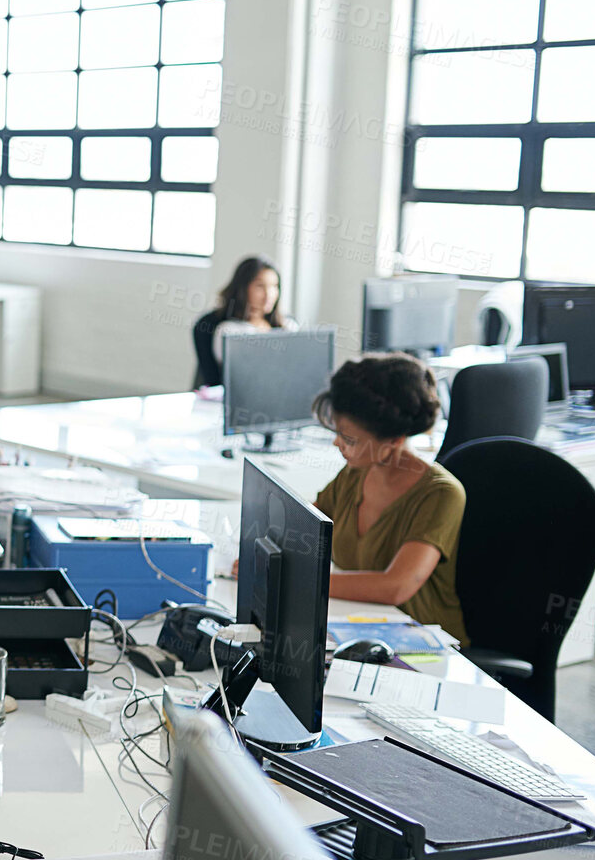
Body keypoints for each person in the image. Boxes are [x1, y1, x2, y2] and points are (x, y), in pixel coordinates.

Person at [310, 354, 467, 641]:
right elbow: (305, 522)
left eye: (350, 439)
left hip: (420, 645)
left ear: (393, 441)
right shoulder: (357, 471)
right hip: (357, 628)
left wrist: (304, 580)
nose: (337, 443)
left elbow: (395, 586)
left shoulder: (441, 494)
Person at [194, 256, 299, 387]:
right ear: (243, 288)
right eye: (260, 286)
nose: (269, 294)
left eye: (274, 286)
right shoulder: (229, 330)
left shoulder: (288, 326)